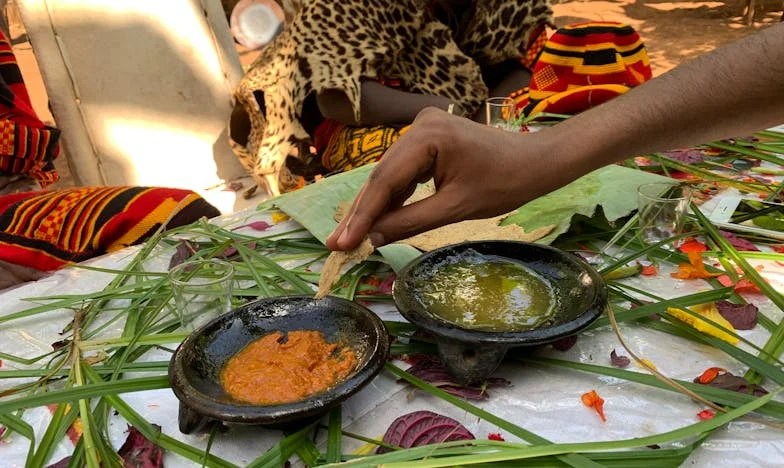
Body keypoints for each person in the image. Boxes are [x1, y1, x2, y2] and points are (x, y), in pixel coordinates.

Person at [327, 22, 784, 252]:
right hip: (381, 124)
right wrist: (458, 111)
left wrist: (542, 150)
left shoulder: (508, 9)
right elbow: (332, 96)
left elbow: (522, 67)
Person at [229, 0, 553, 195]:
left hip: (457, 112)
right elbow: (338, 99)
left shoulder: (508, 7)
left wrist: (486, 125)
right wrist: (449, 115)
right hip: (347, 119)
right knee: (416, 158)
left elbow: (529, 61)